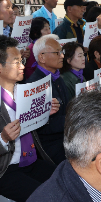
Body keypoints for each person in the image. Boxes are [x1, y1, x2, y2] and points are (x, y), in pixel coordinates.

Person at [0, 36, 57, 202]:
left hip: (31, 161)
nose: (22, 66)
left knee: (66, 180)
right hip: (4, 169)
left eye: (22, 61)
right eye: (16, 62)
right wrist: (3, 139)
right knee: (46, 199)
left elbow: (32, 124)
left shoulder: (25, 92)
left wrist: (43, 112)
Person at [27, 34, 70, 164]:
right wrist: (73, 118)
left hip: (66, 135)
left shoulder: (57, 77)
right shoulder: (35, 85)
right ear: (42, 57)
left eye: (61, 52)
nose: (62, 56)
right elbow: (42, 126)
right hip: (51, 144)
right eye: (57, 53)